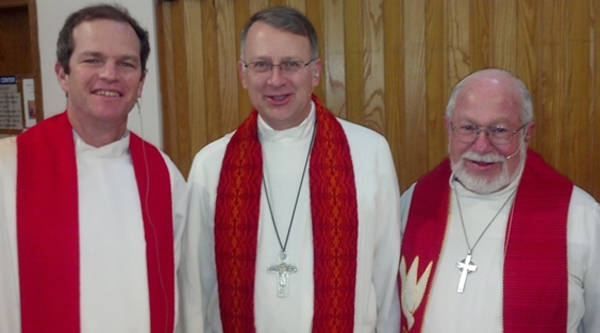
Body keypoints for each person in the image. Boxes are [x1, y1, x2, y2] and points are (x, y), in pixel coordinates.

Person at [179, 6, 400, 332]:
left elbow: (385, 275)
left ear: (315, 72)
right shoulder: (210, 164)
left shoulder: (369, 153)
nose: (276, 79)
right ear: (243, 74)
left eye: (292, 65)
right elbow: (194, 289)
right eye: (261, 65)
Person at [0, 4, 187, 332]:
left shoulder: (163, 175)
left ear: (141, 82)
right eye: (93, 59)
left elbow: (184, 290)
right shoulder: (9, 167)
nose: (110, 74)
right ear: (62, 74)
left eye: (126, 64)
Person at [399, 68, 600, 332]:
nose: (482, 146)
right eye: (468, 128)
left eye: (499, 130)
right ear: (449, 128)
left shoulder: (580, 217)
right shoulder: (413, 204)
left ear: (527, 133)